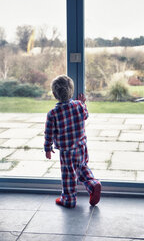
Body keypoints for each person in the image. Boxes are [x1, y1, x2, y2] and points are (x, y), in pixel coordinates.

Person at [44, 75, 101, 208]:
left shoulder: (53, 114)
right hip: (81, 147)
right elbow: (85, 115)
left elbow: (49, 134)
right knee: (82, 167)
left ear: (54, 94)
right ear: (72, 91)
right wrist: (83, 103)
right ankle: (93, 184)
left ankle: (68, 200)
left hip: (67, 151)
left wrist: (47, 148)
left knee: (68, 175)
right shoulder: (79, 106)